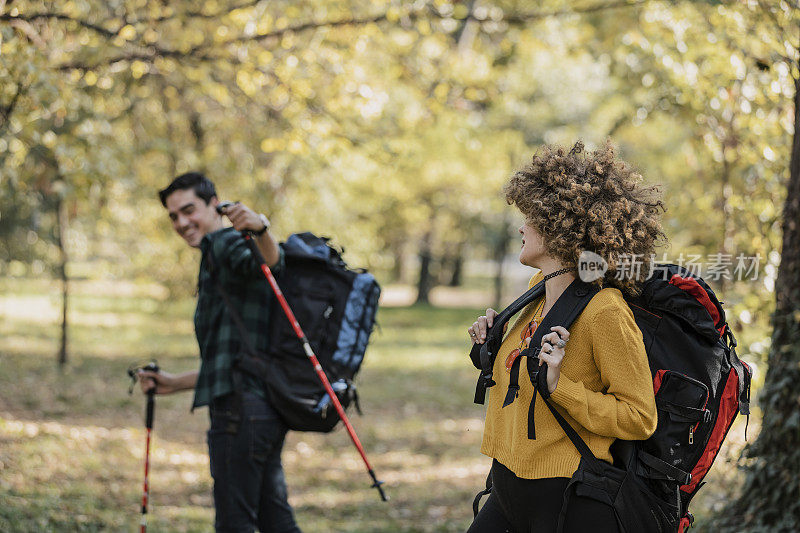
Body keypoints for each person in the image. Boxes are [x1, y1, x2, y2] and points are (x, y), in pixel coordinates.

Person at [466, 141, 664, 533]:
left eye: (531, 217)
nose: (521, 226)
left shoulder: (604, 311)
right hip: (507, 486)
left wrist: (562, 388)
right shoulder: (537, 292)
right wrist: (492, 342)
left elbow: (641, 417)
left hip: (565, 499)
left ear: (560, 227)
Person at [138, 172, 302, 533]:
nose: (181, 223)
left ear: (215, 205)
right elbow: (231, 359)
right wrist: (173, 383)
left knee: (234, 523)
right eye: (174, 216)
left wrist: (260, 229)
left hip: (240, 413)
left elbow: (270, 264)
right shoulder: (216, 254)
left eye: (189, 210)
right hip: (260, 409)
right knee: (275, 519)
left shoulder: (226, 244)